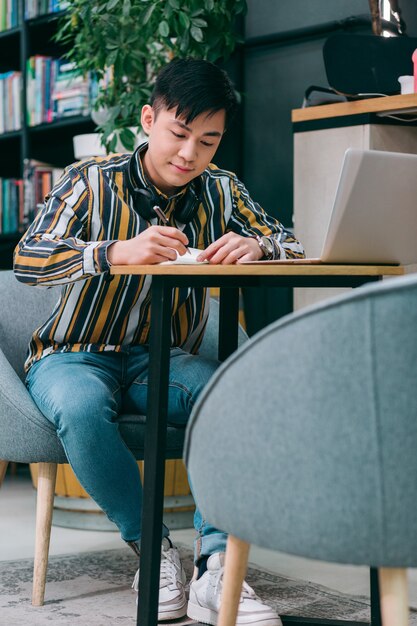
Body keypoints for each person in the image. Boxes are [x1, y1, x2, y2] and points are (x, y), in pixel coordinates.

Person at [14, 58, 304, 625]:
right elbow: (28, 257)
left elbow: (290, 240)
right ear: (149, 119)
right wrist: (113, 252)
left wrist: (260, 249)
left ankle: (216, 567)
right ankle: (152, 551)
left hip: (162, 358)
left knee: (228, 394)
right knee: (78, 406)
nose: (189, 154)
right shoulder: (89, 180)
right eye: (178, 133)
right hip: (73, 351)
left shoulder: (221, 190)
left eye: (208, 141)